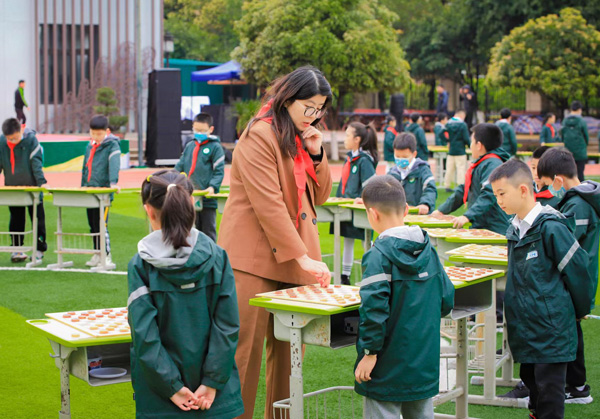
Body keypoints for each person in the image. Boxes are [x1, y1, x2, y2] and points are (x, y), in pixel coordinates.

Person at [217, 66, 333, 419]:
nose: (314, 116)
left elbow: (321, 195)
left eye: (320, 109)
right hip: (251, 259)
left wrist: (316, 153)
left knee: (288, 357)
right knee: (244, 355)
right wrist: (303, 258)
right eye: (309, 107)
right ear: (287, 99)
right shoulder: (259, 134)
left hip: (292, 258)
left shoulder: (299, 136)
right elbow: (268, 203)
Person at [127, 170, 244, 418]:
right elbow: (228, 325)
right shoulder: (218, 256)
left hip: (161, 397)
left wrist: (172, 386)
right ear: (191, 204)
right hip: (213, 397)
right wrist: (211, 382)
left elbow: (144, 335)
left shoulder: (140, 264)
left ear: (149, 210)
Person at [489, 158, 593, 419]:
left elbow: (578, 272)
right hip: (526, 332)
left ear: (523, 190)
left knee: (549, 399)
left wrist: (579, 310)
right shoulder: (514, 229)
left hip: (551, 332)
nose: (498, 200)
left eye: (502, 193)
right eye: (495, 195)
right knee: (535, 397)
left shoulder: (551, 227)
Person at [354, 175, 454, 419]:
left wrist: (369, 352)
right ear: (407, 209)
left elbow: (374, 309)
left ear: (372, 214)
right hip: (423, 359)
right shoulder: (429, 250)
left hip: (386, 362)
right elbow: (446, 300)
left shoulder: (377, 255)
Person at [537, 147, 600, 404]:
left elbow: (564, 245)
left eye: (547, 185)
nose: (549, 191)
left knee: (567, 331)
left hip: (574, 278)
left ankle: (575, 386)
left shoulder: (577, 206)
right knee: (571, 328)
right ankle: (575, 385)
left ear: (558, 180)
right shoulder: (582, 197)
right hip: (579, 276)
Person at [432, 123, 510, 234]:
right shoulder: (483, 163)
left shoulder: (492, 164)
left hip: (494, 229)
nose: (470, 145)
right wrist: (441, 210)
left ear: (479, 145)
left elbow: (489, 193)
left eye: (471, 141)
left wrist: (467, 216)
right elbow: (464, 190)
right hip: (483, 226)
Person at [334, 121, 378, 285]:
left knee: (365, 241)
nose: (344, 139)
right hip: (346, 207)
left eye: (347, 135)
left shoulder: (364, 161)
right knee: (348, 239)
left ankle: (376, 271)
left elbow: (372, 186)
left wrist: (362, 198)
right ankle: (345, 275)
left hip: (360, 210)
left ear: (357, 139)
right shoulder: (350, 158)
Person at [0, 118, 47, 263]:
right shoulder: (2, 142)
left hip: (32, 188)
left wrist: (42, 183)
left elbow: (36, 163)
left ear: (20, 130)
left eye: (14, 138)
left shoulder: (31, 140)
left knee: (38, 219)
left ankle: (39, 249)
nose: (12, 141)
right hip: (13, 187)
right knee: (16, 219)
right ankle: (16, 249)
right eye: (9, 139)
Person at [174, 112, 225, 242]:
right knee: (191, 229)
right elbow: (180, 165)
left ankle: (212, 258)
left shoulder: (215, 147)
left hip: (207, 197)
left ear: (211, 129)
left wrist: (213, 187)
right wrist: (171, 178)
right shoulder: (190, 146)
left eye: (203, 130)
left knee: (208, 230)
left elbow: (218, 171)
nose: (199, 133)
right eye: (196, 130)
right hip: (190, 196)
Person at [81, 115, 121, 268]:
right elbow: (85, 167)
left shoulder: (112, 145)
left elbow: (114, 164)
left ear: (107, 131)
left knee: (101, 225)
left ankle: (106, 255)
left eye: (99, 134)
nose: (96, 136)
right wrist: (83, 185)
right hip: (89, 191)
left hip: (103, 192)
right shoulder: (90, 146)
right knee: (92, 225)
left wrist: (113, 183)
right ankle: (97, 253)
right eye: (93, 133)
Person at [388, 132, 437, 214]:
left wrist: (425, 204)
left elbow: (430, 189)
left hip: (418, 215)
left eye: (404, 157)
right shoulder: (392, 173)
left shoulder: (423, 170)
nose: (400, 160)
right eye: (397, 157)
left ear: (414, 154)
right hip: (398, 216)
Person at [443, 110, 470, 193]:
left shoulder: (448, 124)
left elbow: (441, 133)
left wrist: (447, 140)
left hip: (451, 150)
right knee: (461, 168)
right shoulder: (463, 125)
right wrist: (469, 145)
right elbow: (466, 138)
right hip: (461, 150)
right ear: (462, 116)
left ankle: (447, 185)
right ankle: (460, 185)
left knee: (449, 169)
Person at [560, 101, 589, 181]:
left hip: (568, 151)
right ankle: (581, 191)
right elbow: (586, 136)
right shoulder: (581, 121)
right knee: (580, 174)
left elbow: (562, 136)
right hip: (580, 151)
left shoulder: (565, 121)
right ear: (579, 110)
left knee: (569, 175)